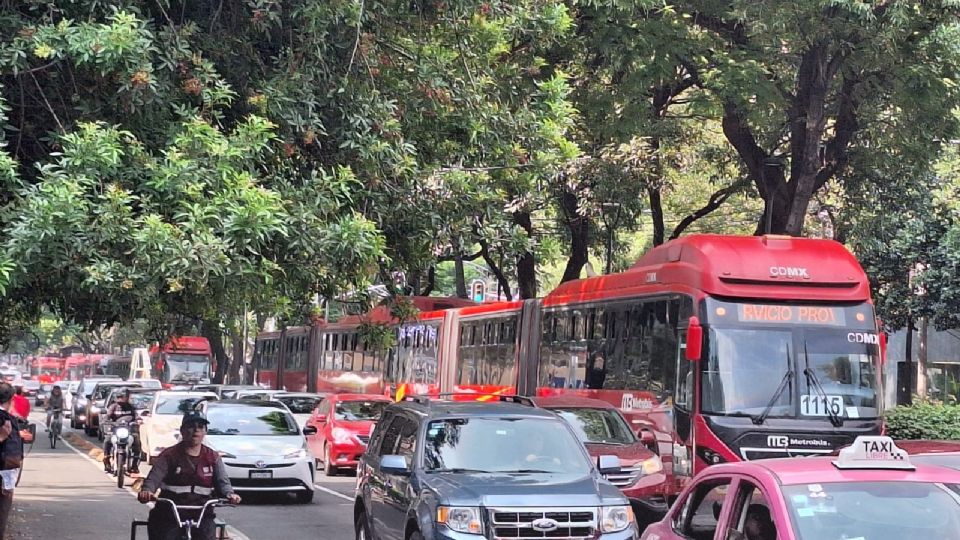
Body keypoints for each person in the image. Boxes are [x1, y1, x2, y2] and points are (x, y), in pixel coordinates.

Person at [137, 412, 241, 540]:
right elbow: (154, 478)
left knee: (208, 536)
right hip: (170, 513)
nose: (196, 430)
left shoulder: (212, 457)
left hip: (202, 513)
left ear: (205, 432)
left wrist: (230, 494)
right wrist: (147, 491)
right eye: (191, 426)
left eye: (200, 427)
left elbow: (222, 482)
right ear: (182, 431)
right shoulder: (169, 455)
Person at [0, 383, 23, 539]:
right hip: (4, 470)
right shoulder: (5, 420)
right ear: (10, 399)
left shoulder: (9, 418)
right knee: (2, 510)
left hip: (7, 472)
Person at [102, 389, 136, 474]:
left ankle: (135, 464)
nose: (120, 399)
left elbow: (136, 416)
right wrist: (106, 420)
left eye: (123, 397)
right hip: (116, 431)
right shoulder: (113, 407)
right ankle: (107, 460)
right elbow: (107, 416)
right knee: (107, 440)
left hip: (128, 431)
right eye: (119, 397)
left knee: (137, 440)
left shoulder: (131, 407)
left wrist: (138, 421)